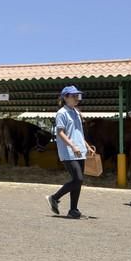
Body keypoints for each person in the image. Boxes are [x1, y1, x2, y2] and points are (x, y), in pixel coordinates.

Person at [46, 86, 94, 219]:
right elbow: (60, 132)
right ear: (65, 97)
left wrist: (87, 146)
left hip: (80, 150)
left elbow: (78, 132)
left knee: (77, 181)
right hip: (68, 151)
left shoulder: (76, 112)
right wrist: (72, 146)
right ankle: (54, 198)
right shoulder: (62, 113)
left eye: (77, 96)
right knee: (78, 179)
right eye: (73, 96)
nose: (76, 98)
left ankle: (73, 210)